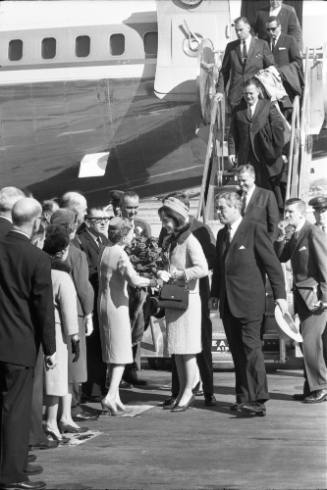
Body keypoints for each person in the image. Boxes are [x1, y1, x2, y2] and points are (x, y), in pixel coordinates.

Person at [209, 191, 287, 416]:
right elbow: (219, 268)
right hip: (228, 303)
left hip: (250, 303)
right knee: (237, 352)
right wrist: (215, 294)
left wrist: (279, 296)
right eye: (218, 207)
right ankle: (243, 397)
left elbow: (273, 265)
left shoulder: (254, 229)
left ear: (236, 208)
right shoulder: (222, 235)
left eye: (222, 207)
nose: (219, 212)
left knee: (251, 351)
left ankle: (258, 400)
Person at [0, 198, 56, 490]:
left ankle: (14, 464)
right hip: (19, 344)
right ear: (36, 223)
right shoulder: (36, 258)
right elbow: (43, 307)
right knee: (16, 412)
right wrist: (51, 348)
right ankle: (12, 475)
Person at [159, 193, 217, 407]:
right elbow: (161, 258)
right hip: (174, 296)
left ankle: (199, 391)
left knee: (192, 346)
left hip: (192, 297)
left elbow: (204, 265)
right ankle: (180, 391)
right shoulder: (170, 236)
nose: (163, 224)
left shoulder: (194, 235)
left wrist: (180, 273)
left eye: (166, 219)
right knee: (177, 348)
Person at [98, 217, 156, 414]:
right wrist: (155, 280)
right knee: (121, 354)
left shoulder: (105, 250)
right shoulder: (120, 253)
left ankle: (115, 397)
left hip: (104, 304)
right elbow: (134, 280)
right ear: (124, 235)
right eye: (130, 233)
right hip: (117, 306)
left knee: (113, 351)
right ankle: (110, 395)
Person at [275, 198, 327, 403]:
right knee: (308, 342)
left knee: (310, 342)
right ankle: (311, 387)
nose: (286, 216)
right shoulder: (295, 234)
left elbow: (325, 266)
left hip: (315, 298)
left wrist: (325, 297)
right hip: (301, 297)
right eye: (285, 212)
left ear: (300, 214)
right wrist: (281, 236)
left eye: (289, 213)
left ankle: (321, 386)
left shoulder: (313, 232)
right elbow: (281, 256)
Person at [50, 208, 96, 424]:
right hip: (73, 313)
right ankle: (68, 414)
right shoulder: (77, 254)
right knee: (73, 367)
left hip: (51, 314)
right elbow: (84, 288)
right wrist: (89, 313)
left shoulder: (44, 248)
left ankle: (55, 413)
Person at [43, 226, 83, 442]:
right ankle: (51, 422)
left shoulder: (39, 268)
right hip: (57, 329)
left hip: (37, 328)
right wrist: (75, 336)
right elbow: (68, 308)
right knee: (56, 378)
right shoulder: (61, 274)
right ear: (62, 250)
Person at [228, 78, 285, 210]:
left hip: (264, 155)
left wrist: (278, 150)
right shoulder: (238, 110)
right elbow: (232, 134)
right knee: (248, 188)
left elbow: (278, 128)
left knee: (268, 189)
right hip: (246, 156)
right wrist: (231, 152)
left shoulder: (267, 106)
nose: (248, 96)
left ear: (258, 92)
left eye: (251, 93)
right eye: (246, 93)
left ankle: (275, 212)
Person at [78, 207, 110, 401]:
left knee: (101, 343)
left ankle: (99, 384)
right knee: (92, 344)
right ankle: (92, 388)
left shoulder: (104, 240)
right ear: (88, 221)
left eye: (106, 219)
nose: (104, 222)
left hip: (103, 298)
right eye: (99, 219)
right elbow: (89, 270)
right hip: (91, 297)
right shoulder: (82, 240)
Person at [121, 191, 151, 385]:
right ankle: (117, 372)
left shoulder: (143, 225)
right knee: (122, 329)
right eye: (129, 207)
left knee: (137, 328)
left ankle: (132, 371)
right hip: (122, 286)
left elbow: (150, 253)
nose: (132, 211)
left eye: (135, 208)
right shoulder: (114, 224)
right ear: (121, 207)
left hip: (139, 286)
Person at [215, 16, 274, 109]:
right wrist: (220, 91)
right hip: (236, 96)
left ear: (248, 28)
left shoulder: (262, 45)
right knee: (235, 123)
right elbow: (224, 71)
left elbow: (271, 67)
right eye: (236, 30)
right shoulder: (231, 47)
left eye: (240, 30)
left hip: (256, 95)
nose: (238, 33)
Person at [266, 16, 303, 108]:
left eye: (273, 29)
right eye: (268, 29)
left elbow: (298, 62)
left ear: (280, 27)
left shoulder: (289, 40)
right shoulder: (264, 42)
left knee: (287, 111)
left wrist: (283, 71)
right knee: (274, 114)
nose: (270, 32)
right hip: (270, 87)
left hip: (286, 85)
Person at [237, 164, 280, 240]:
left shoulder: (267, 195)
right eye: (239, 181)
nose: (241, 184)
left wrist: (268, 245)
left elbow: (274, 224)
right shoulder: (237, 195)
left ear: (253, 178)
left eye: (244, 180)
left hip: (260, 243)